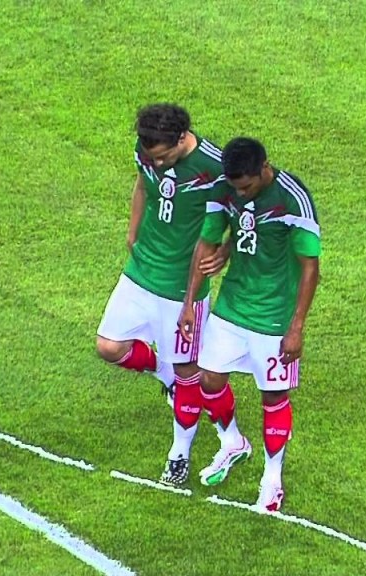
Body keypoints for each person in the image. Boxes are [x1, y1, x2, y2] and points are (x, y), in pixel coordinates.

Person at [178, 136, 321, 512]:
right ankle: (233, 443)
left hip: (275, 317)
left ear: (264, 168)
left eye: (247, 186)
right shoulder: (224, 189)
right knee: (208, 377)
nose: (240, 192)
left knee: (272, 396)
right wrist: (190, 303)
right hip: (233, 306)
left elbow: (310, 268)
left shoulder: (293, 198)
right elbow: (207, 243)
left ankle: (272, 481)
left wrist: (296, 327)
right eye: (235, 186)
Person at [96, 103, 231, 486]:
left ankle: (179, 455)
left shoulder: (214, 166)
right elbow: (142, 184)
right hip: (141, 272)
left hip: (182, 287)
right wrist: (132, 230)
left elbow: (245, 211)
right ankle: (163, 372)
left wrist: (226, 250)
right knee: (108, 346)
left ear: (181, 138)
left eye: (162, 157)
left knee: (191, 375)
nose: (155, 164)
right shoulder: (147, 153)